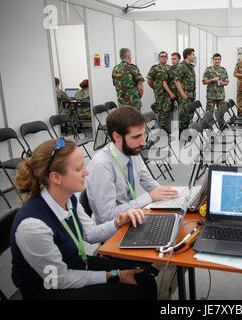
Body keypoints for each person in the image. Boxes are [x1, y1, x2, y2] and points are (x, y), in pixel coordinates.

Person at [10, 138, 157, 300]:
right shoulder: (32, 227)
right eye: (79, 169)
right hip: (51, 290)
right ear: (56, 177)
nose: (86, 172)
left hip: (77, 265)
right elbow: (60, 279)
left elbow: (91, 234)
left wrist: (119, 222)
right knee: (135, 294)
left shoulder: (67, 198)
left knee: (145, 279)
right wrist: (114, 275)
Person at [85, 107, 179, 299]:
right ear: (116, 136)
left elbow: (152, 185)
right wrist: (150, 197)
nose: (143, 142)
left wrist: (177, 196)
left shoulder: (132, 153)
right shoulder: (102, 166)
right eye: (136, 137)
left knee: (179, 238)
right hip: (116, 234)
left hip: (134, 221)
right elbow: (108, 217)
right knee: (174, 257)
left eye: (143, 135)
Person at [147, 51, 174, 130]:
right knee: (161, 110)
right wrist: (156, 88)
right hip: (159, 93)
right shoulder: (155, 68)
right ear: (159, 58)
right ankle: (160, 128)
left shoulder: (170, 68)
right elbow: (149, 81)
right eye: (162, 56)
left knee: (167, 111)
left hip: (168, 93)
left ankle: (164, 128)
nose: (163, 58)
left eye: (165, 56)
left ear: (167, 58)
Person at [202, 53, 229, 125]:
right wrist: (212, 80)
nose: (217, 61)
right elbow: (204, 82)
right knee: (209, 113)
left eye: (218, 59)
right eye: (215, 59)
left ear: (220, 60)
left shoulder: (223, 70)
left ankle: (221, 128)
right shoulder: (208, 70)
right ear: (213, 60)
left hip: (220, 96)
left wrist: (223, 83)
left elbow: (227, 82)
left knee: (221, 113)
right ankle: (208, 129)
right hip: (211, 96)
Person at [174, 48, 196, 133]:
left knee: (189, 115)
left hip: (191, 95)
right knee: (183, 115)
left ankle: (186, 133)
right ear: (188, 56)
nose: (194, 56)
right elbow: (177, 80)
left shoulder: (190, 66)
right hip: (185, 95)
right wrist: (182, 93)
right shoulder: (181, 66)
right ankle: (181, 134)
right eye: (193, 54)